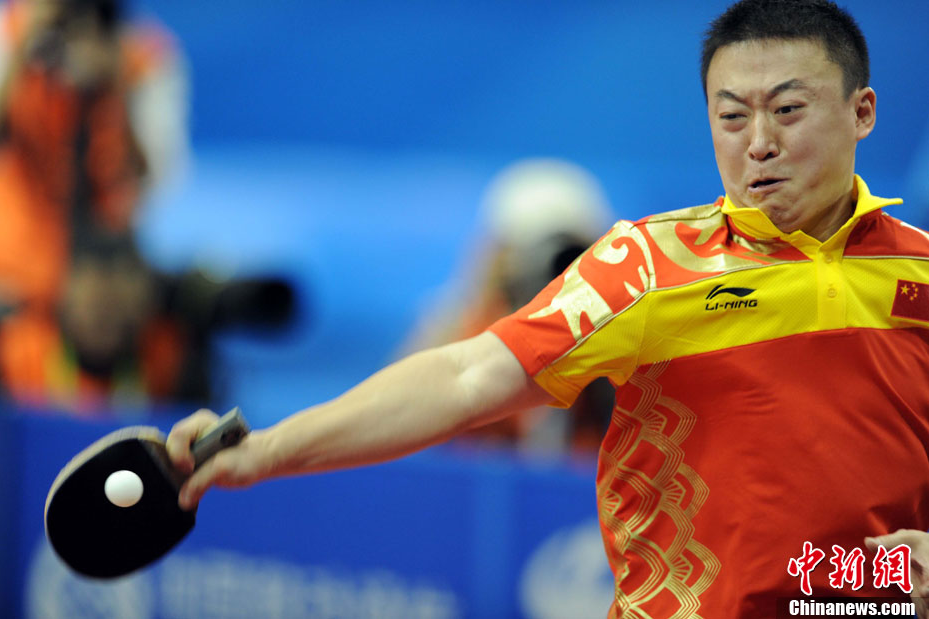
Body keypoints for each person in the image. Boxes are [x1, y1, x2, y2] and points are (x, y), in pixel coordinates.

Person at [165, 1, 929, 616]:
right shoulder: (649, 268)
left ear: (861, 112)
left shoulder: (920, 272)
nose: (758, 143)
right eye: (732, 117)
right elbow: (466, 376)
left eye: (788, 110)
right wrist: (268, 449)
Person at [403, 157, 615, 454]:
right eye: (532, 252)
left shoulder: (620, 337)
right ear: (498, 257)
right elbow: (407, 418)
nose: (553, 272)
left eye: (568, 256)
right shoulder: (460, 323)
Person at [0, 0, 188, 311]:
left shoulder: (144, 56)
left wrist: (115, 89)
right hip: (13, 267)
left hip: (100, 274)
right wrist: (22, 52)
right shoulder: (11, 32)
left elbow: (154, 177)